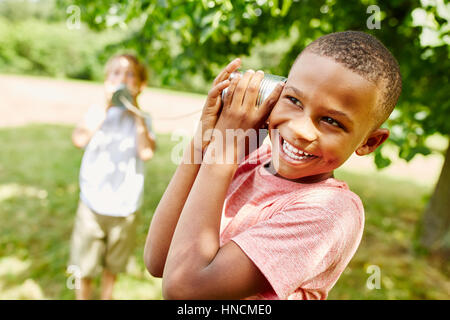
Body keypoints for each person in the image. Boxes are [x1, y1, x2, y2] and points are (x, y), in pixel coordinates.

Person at [144, 31, 402, 299]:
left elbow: (184, 290)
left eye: (332, 121)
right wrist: (204, 142)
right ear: (276, 93)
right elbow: (158, 259)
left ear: (370, 142)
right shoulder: (250, 160)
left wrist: (222, 153)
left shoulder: (331, 212)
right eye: (293, 100)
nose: (301, 129)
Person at [69, 53, 156, 300]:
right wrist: (107, 106)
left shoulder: (142, 118)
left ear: (140, 86)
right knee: (84, 264)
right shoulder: (97, 112)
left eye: (130, 75)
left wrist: (136, 114)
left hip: (125, 206)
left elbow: (146, 152)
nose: (122, 79)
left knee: (113, 264)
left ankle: (106, 296)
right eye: (116, 73)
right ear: (106, 81)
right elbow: (79, 139)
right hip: (92, 204)